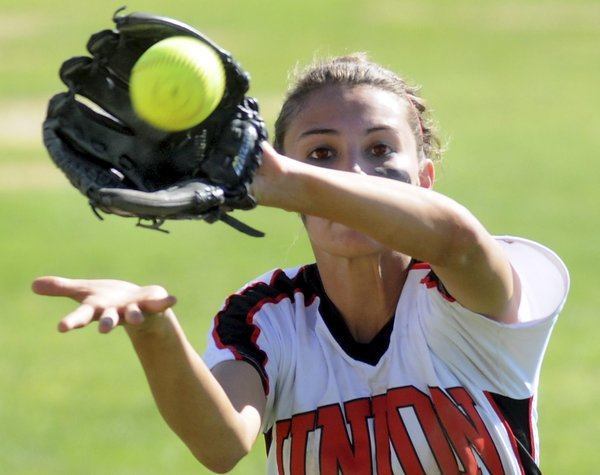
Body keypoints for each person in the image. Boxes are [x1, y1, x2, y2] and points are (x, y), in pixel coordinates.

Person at [33, 54, 569, 474]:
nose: (355, 174)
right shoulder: (269, 316)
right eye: (321, 154)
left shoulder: (469, 290)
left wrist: (292, 180)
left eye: (381, 150)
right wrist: (153, 330)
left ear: (425, 179)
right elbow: (220, 444)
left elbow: (456, 239)